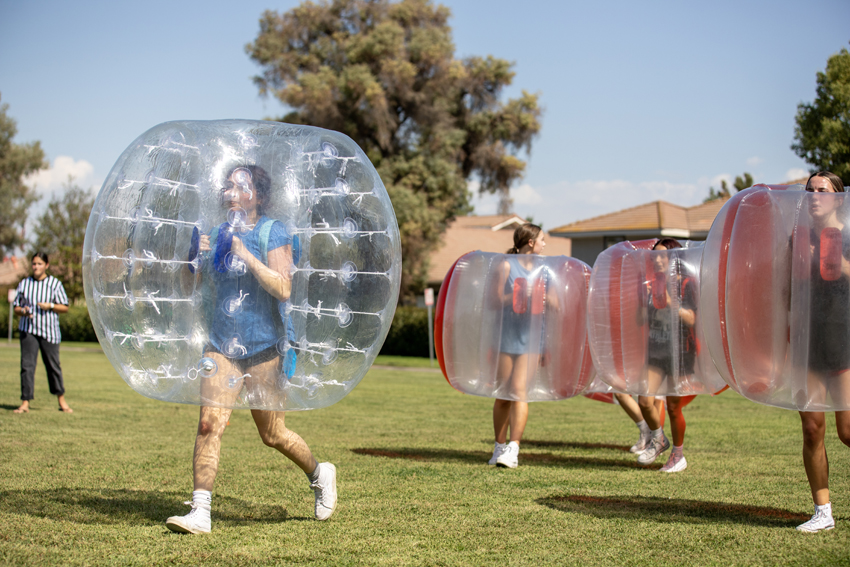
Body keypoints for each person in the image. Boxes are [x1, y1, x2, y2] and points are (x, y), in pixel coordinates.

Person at [165, 165, 336, 534]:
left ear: (258, 195)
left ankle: (320, 473)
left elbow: (284, 288)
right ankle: (201, 511)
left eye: (239, 185)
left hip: (264, 349)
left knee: (272, 434)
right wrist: (192, 259)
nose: (230, 192)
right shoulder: (215, 232)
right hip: (221, 345)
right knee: (209, 423)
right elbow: (189, 288)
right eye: (227, 185)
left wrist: (243, 251)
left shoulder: (272, 231)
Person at [796, 171, 850, 533]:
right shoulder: (796, 239)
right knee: (812, 429)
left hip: (844, 341)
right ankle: (823, 512)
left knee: (848, 432)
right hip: (807, 342)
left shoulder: (848, 236)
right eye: (810, 191)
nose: (815, 196)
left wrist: (837, 263)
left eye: (823, 190)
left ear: (838, 198)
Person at [489, 223, 551, 469]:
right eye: (543, 240)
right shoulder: (506, 265)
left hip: (532, 339)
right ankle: (498, 446)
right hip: (506, 337)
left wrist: (544, 297)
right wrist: (518, 294)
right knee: (503, 395)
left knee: (519, 391)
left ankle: (514, 448)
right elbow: (494, 302)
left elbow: (553, 304)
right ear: (531, 242)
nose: (545, 245)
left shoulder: (544, 269)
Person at [634, 238, 698, 470]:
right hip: (656, 350)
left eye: (663, 255)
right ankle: (659, 438)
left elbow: (692, 319)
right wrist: (644, 299)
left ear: (674, 258)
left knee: (673, 407)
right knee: (644, 400)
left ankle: (678, 455)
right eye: (655, 256)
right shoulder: (651, 285)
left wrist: (671, 303)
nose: (658, 260)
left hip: (680, 352)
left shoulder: (686, 284)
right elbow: (639, 320)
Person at [12, 252, 72, 414]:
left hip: (49, 332)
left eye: (39, 264)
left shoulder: (54, 284)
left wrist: (50, 306)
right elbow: (16, 308)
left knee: (53, 366)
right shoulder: (24, 284)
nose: (36, 267)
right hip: (28, 330)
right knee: (27, 366)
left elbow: (64, 307)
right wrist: (23, 311)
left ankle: (61, 400)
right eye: (34, 264)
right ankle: (25, 402)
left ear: (46, 265)